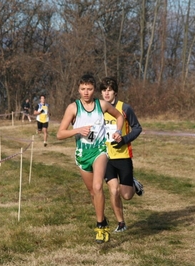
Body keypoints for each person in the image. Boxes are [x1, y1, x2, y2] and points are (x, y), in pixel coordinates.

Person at [57, 74, 124, 244]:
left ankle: (100, 226)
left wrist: (118, 131)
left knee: (97, 186)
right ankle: (103, 219)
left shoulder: (101, 105)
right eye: (83, 89)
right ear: (78, 90)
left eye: (89, 89)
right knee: (93, 193)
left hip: (99, 151)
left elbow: (120, 116)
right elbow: (60, 134)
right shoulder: (73, 108)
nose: (86, 92)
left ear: (94, 90)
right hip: (82, 154)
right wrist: (77, 130)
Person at [100, 76, 144, 233]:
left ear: (115, 92)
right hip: (105, 157)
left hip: (123, 155)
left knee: (126, 195)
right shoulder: (97, 109)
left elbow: (137, 128)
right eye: (104, 90)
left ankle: (133, 183)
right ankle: (121, 223)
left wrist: (124, 139)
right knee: (113, 190)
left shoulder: (125, 108)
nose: (106, 93)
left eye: (109, 90)